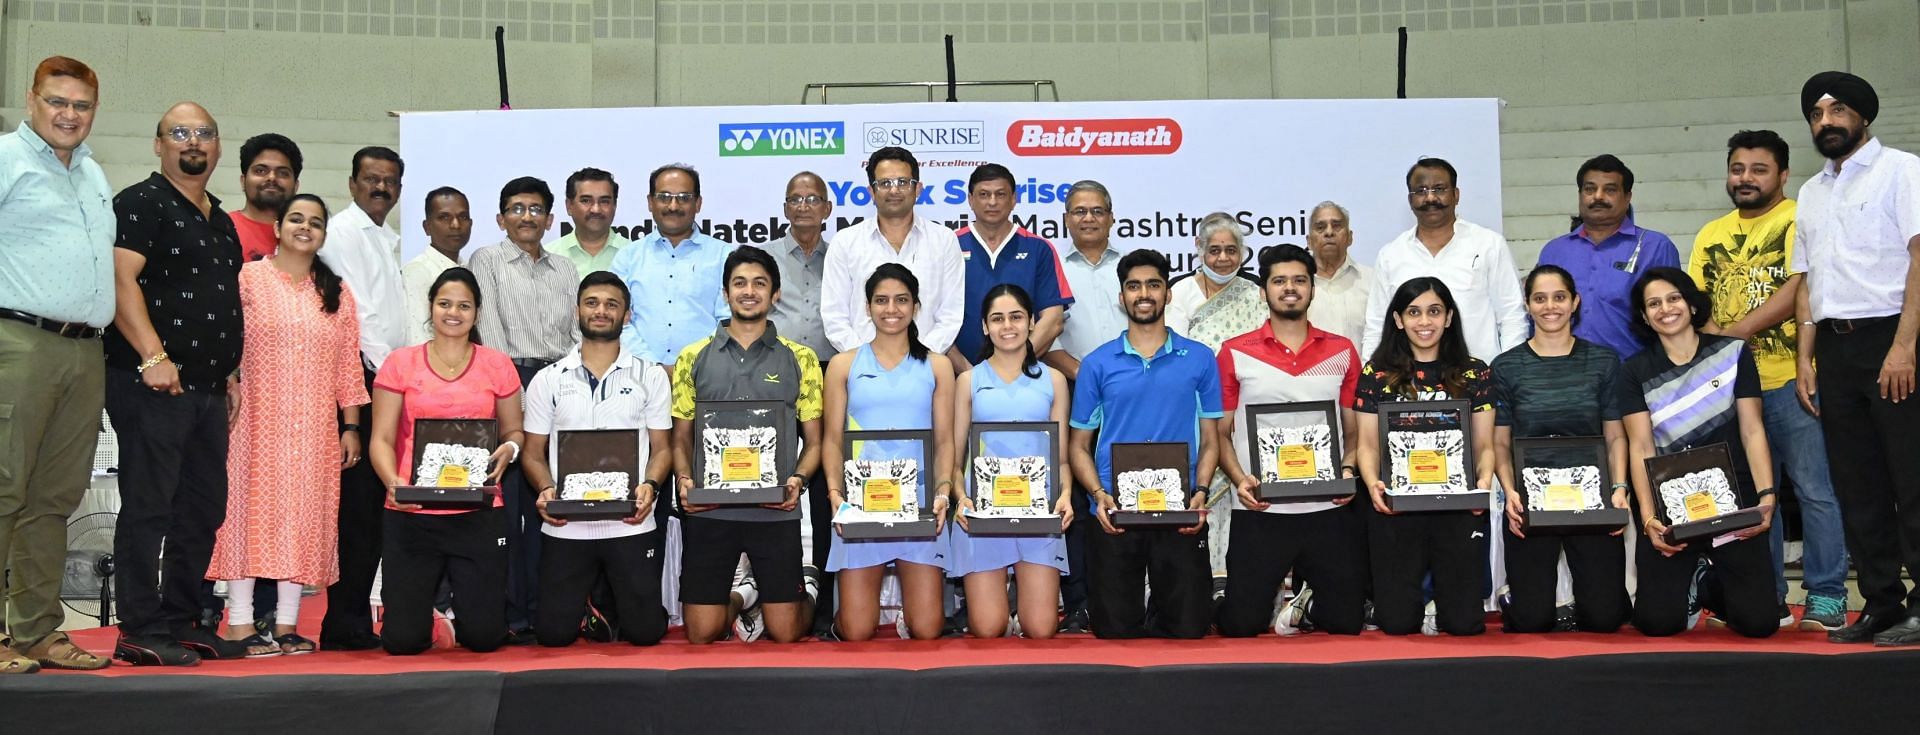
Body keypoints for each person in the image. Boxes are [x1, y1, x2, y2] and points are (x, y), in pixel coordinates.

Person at [1689, 129, 1849, 631]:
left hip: (1790, 381)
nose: (1746, 178)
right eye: (1738, 169)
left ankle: (1826, 594)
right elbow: (1695, 304)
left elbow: (1800, 288)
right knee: (1760, 500)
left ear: (1783, 174)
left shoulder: (1801, 218)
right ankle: (1772, 596)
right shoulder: (1710, 233)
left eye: (1759, 170)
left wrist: (1732, 336)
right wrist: (1715, 338)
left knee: (1816, 491)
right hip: (1734, 394)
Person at [105, 102, 247, 665]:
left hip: (209, 390)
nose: (194, 142)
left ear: (217, 147)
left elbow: (220, 299)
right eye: (180, 133)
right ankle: (138, 627)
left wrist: (231, 372)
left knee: (203, 507)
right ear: (157, 144)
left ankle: (179, 618)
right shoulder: (139, 203)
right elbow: (120, 280)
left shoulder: (220, 218)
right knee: (149, 504)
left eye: (205, 134)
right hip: (151, 382)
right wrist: (152, 354)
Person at [206, 194, 368, 656]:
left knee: (303, 519)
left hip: (315, 426)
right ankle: (237, 623)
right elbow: (226, 343)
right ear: (277, 227)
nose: (305, 228)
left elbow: (347, 367)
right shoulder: (248, 279)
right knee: (245, 516)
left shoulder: (336, 291)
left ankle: (286, 626)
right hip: (253, 421)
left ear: (323, 235)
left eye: (315, 223)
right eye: (296, 219)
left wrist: (350, 426)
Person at [1791, 71, 1920, 646]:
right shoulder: (1812, 192)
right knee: (1857, 485)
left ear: (1863, 115)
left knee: (1911, 479)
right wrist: (1804, 358)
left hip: (1894, 339)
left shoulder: (1904, 171)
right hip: (1835, 350)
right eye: (1817, 115)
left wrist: (1905, 346)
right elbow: (1807, 280)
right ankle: (1882, 603)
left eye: (1838, 110)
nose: (1827, 122)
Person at [0, 55, 114, 674]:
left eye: (81, 105)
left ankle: (37, 632)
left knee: (53, 498)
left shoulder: (93, 172)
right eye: (57, 101)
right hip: (18, 341)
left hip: (83, 348)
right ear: (31, 100)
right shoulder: (6, 159)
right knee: (2, 488)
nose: (69, 115)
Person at [671, 245, 823, 644]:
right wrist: (685, 480)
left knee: (786, 633)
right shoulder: (692, 357)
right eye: (740, 283)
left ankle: (806, 585)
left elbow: (815, 441)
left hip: (775, 510)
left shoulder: (801, 358)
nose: (749, 291)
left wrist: (798, 481)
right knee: (701, 634)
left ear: (775, 294)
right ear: (725, 292)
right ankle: (744, 596)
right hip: (711, 509)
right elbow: (681, 436)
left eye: (760, 283)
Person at [1215, 244, 1369, 637]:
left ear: (1312, 289)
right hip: (1260, 508)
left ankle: (1307, 600)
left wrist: (1348, 470)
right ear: (1263, 290)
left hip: (1327, 507)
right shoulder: (1235, 353)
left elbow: (1353, 432)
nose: (1289, 288)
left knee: (1346, 623)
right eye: (1279, 280)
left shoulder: (1342, 351)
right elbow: (1219, 434)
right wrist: (1239, 480)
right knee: (1240, 626)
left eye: (1299, 280)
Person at [367, 267, 523, 655]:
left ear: (477, 313)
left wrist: (511, 450)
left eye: (464, 306)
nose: (454, 313)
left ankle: (459, 615)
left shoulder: (498, 364)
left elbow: (514, 432)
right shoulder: (400, 363)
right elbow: (382, 439)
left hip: (478, 511)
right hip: (412, 511)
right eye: (445, 303)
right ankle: (433, 618)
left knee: (486, 639)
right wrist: (394, 485)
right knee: (402, 643)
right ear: (431, 307)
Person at [1068, 249, 1220, 639]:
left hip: (1179, 510)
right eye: (1133, 286)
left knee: (1190, 629)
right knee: (1115, 630)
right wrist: (1099, 495)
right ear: (1122, 297)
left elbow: (1210, 439)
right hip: (1115, 512)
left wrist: (1200, 492)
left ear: (1168, 293)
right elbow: (1078, 445)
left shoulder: (1200, 359)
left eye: (1154, 284)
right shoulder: (1097, 364)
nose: (1144, 294)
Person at [1618, 268, 1778, 638]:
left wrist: (1766, 497)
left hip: (1734, 502)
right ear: (1644, 316)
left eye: (1673, 298)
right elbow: (1640, 446)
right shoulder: (1633, 371)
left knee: (1759, 625)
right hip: (1669, 507)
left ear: (1691, 304)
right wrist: (1647, 519)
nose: (1665, 309)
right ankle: (1688, 583)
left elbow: (1752, 429)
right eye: (1653, 304)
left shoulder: (1733, 353)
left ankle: (1708, 584)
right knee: (1657, 625)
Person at [523, 272, 673, 647]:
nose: (601, 311)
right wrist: (545, 489)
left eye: (611, 304)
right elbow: (532, 453)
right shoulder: (548, 378)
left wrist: (650, 486)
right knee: (552, 636)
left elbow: (663, 448)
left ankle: (607, 607)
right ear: (577, 311)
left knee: (646, 633)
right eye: (592, 303)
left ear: (627, 315)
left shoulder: (650, 376)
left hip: (630, 522)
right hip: (566, 524)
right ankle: (592, 607)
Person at [468, 175, 580, 643]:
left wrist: (565, 392)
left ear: (551, 219)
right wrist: (511, 399)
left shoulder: (566, 270)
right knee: (505, 508)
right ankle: (511, 611)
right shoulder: (487, 261)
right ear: (500, 218)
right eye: (516, 209)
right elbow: (489, 334)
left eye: (535, 209)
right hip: (506, 387)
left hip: (555, 385)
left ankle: (544, 607)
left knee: (549, 501)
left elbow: (576, 338)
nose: (526, 217)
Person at [1490, 265, 1631, 633]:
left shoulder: (1604, 361)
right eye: (1539, 298)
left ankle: (1606, 598)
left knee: (1605, 619)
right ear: (1527, 305)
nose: (1549, 307)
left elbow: (1615, 436)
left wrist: (1618, 490)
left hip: (1592, 500)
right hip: (1532, 504)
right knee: (1531, 621)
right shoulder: (1506, 367)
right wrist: (1510, 494)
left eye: (1558, 297)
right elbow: (1500, 442)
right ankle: (1515, 595)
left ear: (1574, 302)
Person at [1353, 277, 1496, 636]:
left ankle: (1444, 606)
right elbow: (1367, 444)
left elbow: (1485, 445)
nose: (1425, 322)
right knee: (1397, 624)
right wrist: (1373, 485)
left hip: (1457, 506)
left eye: (1434, 311)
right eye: (1414, 312)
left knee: (1464, 624)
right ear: (1399, 320)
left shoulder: (1475, 372)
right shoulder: (1376, 374)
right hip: (1397, 507)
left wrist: (1481, 486)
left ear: (1449, 317)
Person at [823, 264, 957, 640]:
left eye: (901, 300)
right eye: (881, 300)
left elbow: (945, 440)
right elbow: (833, 439)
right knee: (857, 631)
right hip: (861, 506)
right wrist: (836, 494)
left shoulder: (938, 365)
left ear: (916, 306)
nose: (891, 309)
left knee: (928, 629)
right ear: (867, 307)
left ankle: (908, 615)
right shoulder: (843, 365)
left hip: (918, 507)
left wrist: (942, 491)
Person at [316, 145, 409, 651]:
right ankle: (344, 621)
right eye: (371, 179)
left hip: (384, 383)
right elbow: (363, 317)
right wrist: (399, 379)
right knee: (357, 513)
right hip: (365, 387)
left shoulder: (382, 239)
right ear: (352, 184)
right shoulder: (345, 235)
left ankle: (352, 618)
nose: (381, 188)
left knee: (373, 512)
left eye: (390, 181)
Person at [949, 284, 1074, 639]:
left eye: (1016, 317)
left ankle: (1023, 611)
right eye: (998, 318)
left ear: (1032, 322)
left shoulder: (1053, 380)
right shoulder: (969, 381)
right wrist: (962, 498)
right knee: (987, 629)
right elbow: (956, 458)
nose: (1008, 326)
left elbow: (1062, 459)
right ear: (985, 327)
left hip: (1038, 513)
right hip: (983, 515)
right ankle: (997, 611)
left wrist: (1064, 496)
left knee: (1041, 628)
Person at [1041, 179, 1129, 633]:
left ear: (1112, 217)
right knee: (1075, 497)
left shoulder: (1130, 269)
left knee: (1125, 486)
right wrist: (1089, 375)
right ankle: (1078, 600)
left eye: (1097, 210)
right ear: (1066, 219)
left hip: (1132, 396)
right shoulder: (1052, 265)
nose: (1088, 218)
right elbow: (1045, 338)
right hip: (1075, 390)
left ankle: (1125, 594)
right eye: (1078, 211)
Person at [1164, 212, 1267, 588]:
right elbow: (1173, 354)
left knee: (1240, 500)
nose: (1223, 258)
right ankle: (1191, 585)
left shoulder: (1256, 295)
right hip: (1190, 412)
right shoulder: (1179, 294)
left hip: (1242, 413)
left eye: (1231, 250)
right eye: (1215, 250)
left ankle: (1232, 584)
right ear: (1198, 250)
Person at [764, 170, 838, 633]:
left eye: (813, 198)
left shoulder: (846, 256)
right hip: (778, 380)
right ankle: (779, 588)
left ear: (828, 208)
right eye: (796, 199)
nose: (805, 206)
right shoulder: (766, 259)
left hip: (837, 378)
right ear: (785, 207)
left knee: (830, 483)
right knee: (783, 482)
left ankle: (825, 596)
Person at [1362, 157, 1527, 363]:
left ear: (1456, 195)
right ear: (1410, 200)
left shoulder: (1488, 245)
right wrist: (1370, 376)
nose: (1430, 198)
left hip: (1480, 381)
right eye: (1421, 191)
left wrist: (1509, 372)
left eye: (1439, 189)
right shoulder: (1391, 255)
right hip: (1408, 384)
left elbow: (1511, 316)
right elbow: (1377, 325)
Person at [1535, 154, 1682, 360]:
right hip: (1564, 377)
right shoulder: (1555, 251)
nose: (1598, 197)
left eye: (1610, 190)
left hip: (1634, 376)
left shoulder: (1655, 247)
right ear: (1580, 194)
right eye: (1590, 189)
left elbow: (1675, 319)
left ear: (1627, 197)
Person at [823, 147, 964, 356]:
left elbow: (950, 315)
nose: (894, 190)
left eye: (903, 182)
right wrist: (867, 359)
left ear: (918, 189)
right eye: (885, 183)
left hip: (926, 368)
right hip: (862, 370)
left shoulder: (944, 241)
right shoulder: (845, 242)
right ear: (871, 192)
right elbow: (834, 316)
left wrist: (920, 358)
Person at [951, 163, 1073, 369]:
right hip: (959, 377)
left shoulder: (1039, 248)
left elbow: (1053, 319)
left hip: (1025, 376)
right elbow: (935, 320)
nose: (992, 202)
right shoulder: (949, 245)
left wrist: (1014, 367)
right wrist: (971, 375)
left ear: (1014, 199)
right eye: (983, 194)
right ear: (970, 200)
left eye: (1000, 194)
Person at [612, 164, 733, 370]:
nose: (674, 206)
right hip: (638, 375)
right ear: (650, 202)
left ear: (698, 203)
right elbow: (616, 320)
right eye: (664, 197)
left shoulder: (724, 255)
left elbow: (729, 320)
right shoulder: (628, 257)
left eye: (684, 197)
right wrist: (653, 366)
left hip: (706, 374)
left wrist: (688, 366)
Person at [401, 187, 473, 345]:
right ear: (427, 227)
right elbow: (418, 338)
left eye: (463, 217)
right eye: (444, 217)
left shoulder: (469, 269)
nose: (456, 225)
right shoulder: (417, 271)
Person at [1305, 201, 1371, 345]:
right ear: (1309, 241)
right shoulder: (1296, 287)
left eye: (1336, 226)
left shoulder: (1372, 281)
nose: (1329, 232)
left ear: (1350, 237)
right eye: (1320, 227)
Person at [230, 133, 301, 262]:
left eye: (283, 173)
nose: (272, 178)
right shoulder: (223, 229)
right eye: (260, 171)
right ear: (243, 180)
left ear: (296, 186)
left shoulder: (305, 235)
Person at [552, 167, 628, 276]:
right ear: (569, 206)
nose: (595, 209)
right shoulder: (548, 257)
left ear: (615, 206)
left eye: (604, 201)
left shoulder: (635, 255)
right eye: (586, 201)